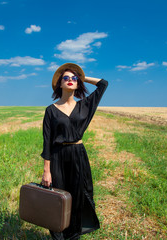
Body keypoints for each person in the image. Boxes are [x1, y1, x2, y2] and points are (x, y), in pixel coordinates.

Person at [41, 63, 108, 240]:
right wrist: (46, 171)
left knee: (77, 199)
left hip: (78, 155)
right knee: (58, 200)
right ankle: (58, 236)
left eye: (73, 78)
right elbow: (47, 142)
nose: (70, 80)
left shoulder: (85, 106)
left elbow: (103, 84)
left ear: (78, 83)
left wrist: (81, 76)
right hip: (57, 157)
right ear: (59, 83)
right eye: (66, 78)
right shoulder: (51, 111)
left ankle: (73, 237)